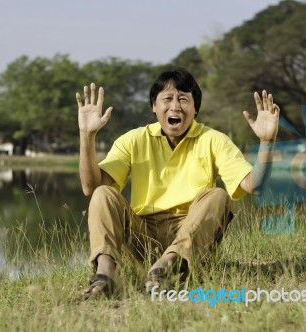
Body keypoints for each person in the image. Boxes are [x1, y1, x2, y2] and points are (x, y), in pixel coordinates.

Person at [76, 68, 279, 299]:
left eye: (183, 99)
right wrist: (87, 136)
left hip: (191, 236)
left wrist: (266, 141)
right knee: (104, 193)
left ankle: (167, 266)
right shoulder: (134, 139)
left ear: (195, 109)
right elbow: (90, 188)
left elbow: (255, 185)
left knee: (217, 195)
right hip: (144, 236)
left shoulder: (214, 140)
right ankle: (106, 276)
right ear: (154, 106)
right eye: (167, 99)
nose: (175, 106)